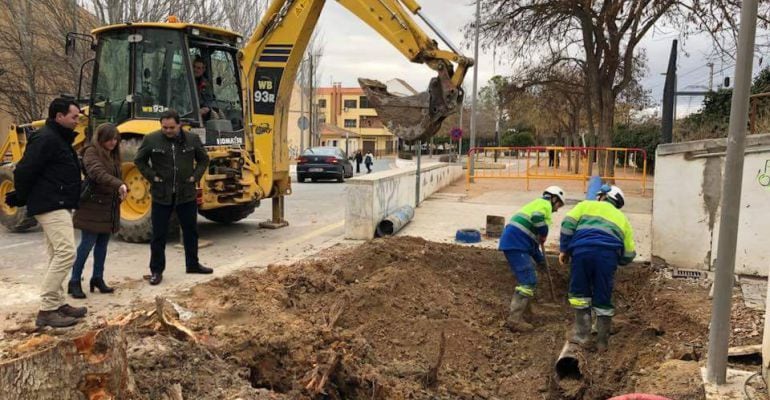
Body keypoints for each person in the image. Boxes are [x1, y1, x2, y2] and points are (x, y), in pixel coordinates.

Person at [5, 98, 87, 327]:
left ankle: (58, 303)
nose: (77, 120)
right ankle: (47, 309)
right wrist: (21, 196)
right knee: (66, 253)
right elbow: (23, 169)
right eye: (74, 117)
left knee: (56, 254)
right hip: (50, 203)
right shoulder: (46, 138)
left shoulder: (58, 138)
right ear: (59, 116)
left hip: (57, 201)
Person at [134, 109, 211, 286]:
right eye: (164, 127)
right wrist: (153, 176)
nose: (168, 131)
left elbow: (204, 159)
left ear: (179, 125)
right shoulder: (151, 139)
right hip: (162, 194)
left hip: (186, 194)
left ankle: (193, 264)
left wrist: (195, 176)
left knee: (190, 231)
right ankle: (156, 270)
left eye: (171, 128)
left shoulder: (191, 139)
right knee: (159, 234)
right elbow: (139, 160)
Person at [559, 184, 636, 351]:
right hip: (607, 257)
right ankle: (602, 341)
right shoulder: (622, 219)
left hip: (582, 252)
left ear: (601, 196)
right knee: (603, 294)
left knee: (579, 293)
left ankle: (582, 336)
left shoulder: (585, 205)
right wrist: (617, 261)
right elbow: (629, 253)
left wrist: (564, 249)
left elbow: (567, 225)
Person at [68, 123, 127, 299]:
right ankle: (74, 281)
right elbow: (97, 173)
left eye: (115, 139)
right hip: (92, 206)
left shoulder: (114, 155)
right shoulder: (91, 152)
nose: (113, 142)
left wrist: (122, 189)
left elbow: (116, 177)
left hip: (109, 206)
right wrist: (119, 184)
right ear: (100, 138)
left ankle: (97, 278)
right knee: (86, 245)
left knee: (102, 246)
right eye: (109, 139)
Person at [498, 186, 566, 332]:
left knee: (528, 280)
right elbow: (537, 218)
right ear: (554, 198)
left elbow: (533, 246)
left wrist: (541, 260)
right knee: (528, 280)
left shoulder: (538, 205)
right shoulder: (544, 204)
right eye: (559, 204)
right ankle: (514, 320)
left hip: (517, 243)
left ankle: (525, 313)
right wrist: (544, 233)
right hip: (516, 244)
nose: (557, 209)